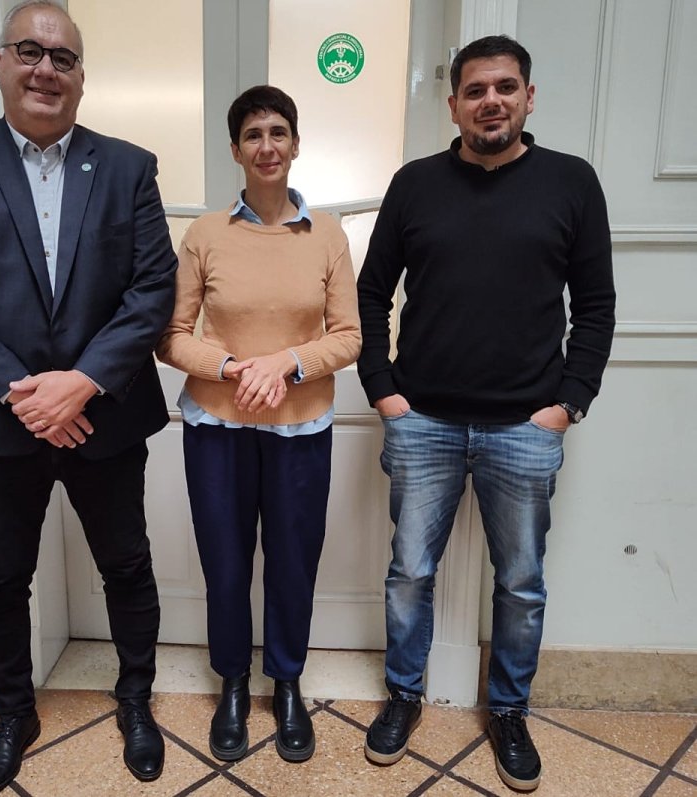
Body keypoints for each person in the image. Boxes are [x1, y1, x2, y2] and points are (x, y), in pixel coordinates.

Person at [0, 2, 177, 793]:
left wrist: (83, 381)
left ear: (82, 78)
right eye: (29, 51)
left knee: (127, 565)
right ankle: (14, 712)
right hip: (0, 417)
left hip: (108, 412)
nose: (45, 69)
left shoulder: (128, 166)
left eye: (63, 58)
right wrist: (25, 394)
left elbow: (152, 287)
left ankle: (136, 701)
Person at [356, 35, 615, 792]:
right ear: (455, 104)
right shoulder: (414, 184)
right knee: (409, 572)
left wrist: (569, 402)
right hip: (423, 421)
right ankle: (404, 696)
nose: (491, 101)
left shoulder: (571, 183)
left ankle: (508, 708)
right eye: (476, 90)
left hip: (526, 426)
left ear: (528, 98)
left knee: (522, 582)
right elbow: (372, 294)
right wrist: (385, 391)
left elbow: (594, 305)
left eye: (505, 87)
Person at [156, 85, 361, 764]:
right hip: (216, 425)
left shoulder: (327, 232)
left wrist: (289, 364)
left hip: (302, 426)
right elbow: (173, 336)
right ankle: (235, 684)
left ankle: (288, 680)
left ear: (296, 144)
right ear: (237, 149)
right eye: (253, 135)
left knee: (294, 560)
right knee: (225, 560)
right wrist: (238, 367)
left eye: (278, 132)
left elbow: (351, 336)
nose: (267, 146)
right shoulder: (207, 234)